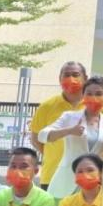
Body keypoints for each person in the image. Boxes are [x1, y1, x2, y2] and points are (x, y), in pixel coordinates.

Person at [38, 75, 103, 200]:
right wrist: (69, 131)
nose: (93, 97)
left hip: (94, 184)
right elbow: (42, 135)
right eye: (89, 93)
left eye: (98, 94)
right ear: (83, 96)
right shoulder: (69, 117)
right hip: (67, 181)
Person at [30, 61, 87, 190]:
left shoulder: (96, 107)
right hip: (52, 175)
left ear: (85, 78)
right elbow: (35, 139)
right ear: (59, 79)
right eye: (66, 75)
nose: (71, 79)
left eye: (75, 75)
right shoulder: (46, 106)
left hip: (86, 177)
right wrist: (52, 154)